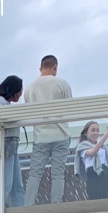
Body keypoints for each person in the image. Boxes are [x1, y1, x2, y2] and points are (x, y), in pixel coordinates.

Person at [22, 55, 73, 205]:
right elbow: (71, 107)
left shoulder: (30, 88)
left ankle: (28, 205)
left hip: (40, 136)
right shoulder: (62, 83)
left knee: (35, 173)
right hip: (61, 134)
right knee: (58, 173)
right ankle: (55, 204)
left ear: (40, 68)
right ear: (55, 67)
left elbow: (29, 112)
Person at [0, 75, 25, 209]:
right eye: (20, 90)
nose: (21, 93)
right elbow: (1, 121)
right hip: (1, 147)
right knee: (5, 185)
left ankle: (20, 212)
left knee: (16, 186)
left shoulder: (5, 103)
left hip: (10, 148)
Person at [75, 120, 108, 200]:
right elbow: (92, 152)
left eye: (97, 130)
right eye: (93, 130)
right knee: (96, 200)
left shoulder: (103, 146)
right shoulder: (82, 146)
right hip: (93, 174)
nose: (96, 133)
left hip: (106, 173)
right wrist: (106, 134)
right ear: (86, 133)